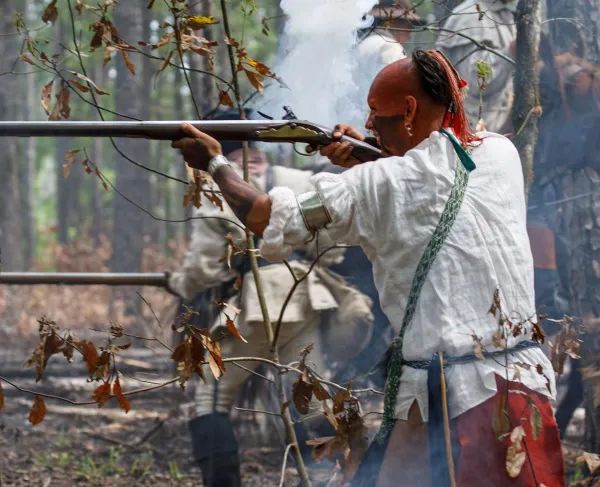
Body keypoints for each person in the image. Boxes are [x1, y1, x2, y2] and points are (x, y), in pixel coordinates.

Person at [172, 48, 564, 486]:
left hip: (454, 395)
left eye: (377, 114)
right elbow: (429, 180)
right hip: (520, 380)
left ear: (411, 109)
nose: (370, 125)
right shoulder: (500, 153)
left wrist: (214, 162)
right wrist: (370, 154)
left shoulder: (378, 183)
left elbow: (264, 217)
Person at [168, 111, 374, 487]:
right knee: (310, 395)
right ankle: (330, 478)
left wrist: (177, 284)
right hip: (305, 298)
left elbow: (204, 269)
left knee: (209, 402)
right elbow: (331, 250)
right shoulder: (299, 180)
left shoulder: (215, 191)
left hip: (252, 305)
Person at [436, 0, 517, 133]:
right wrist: (510, 51)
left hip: (496, 130)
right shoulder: (470, 16)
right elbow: (477, 82)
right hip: (468, 133)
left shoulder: (507, 15)